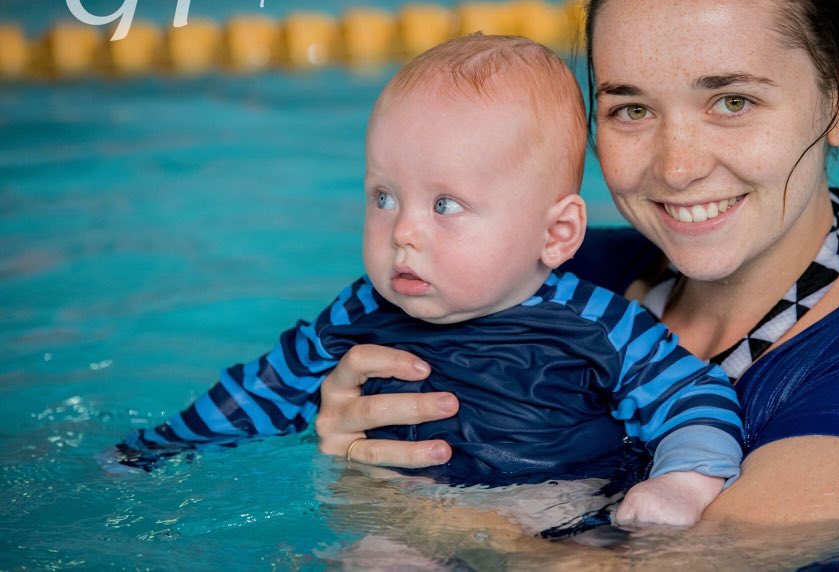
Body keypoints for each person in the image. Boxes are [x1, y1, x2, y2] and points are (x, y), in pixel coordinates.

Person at [312, 0, 839, 552]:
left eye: (732, 101)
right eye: (631, 110)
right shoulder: (552, 272)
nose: (678, 166)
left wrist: (405, 510)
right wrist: (343, 435)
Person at [120, 33, 744, 528]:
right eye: (384, 196)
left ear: (555, 235)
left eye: (445, 205)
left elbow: (695, 399)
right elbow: (258, 392)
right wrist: (153, 449)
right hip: (405, 526)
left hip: (567, 516)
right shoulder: (354, 317)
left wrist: (682, 482)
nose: (404, 233)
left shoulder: (599, 327)